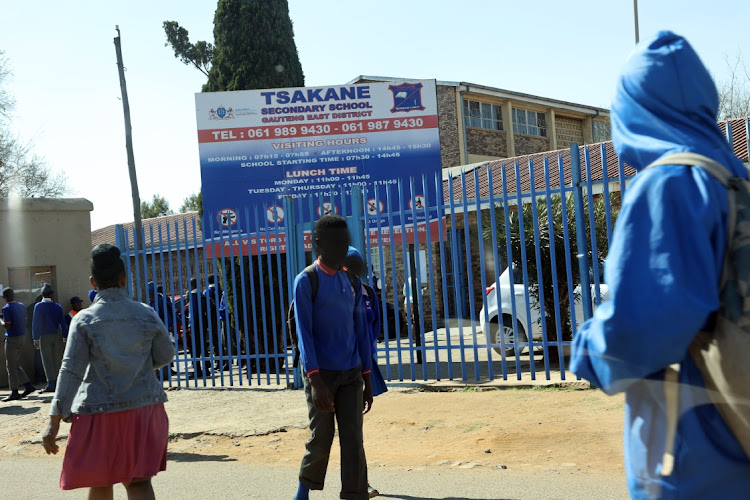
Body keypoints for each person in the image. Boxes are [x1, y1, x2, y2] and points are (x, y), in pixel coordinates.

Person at [569, 31, 750, 499]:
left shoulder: (669, 183)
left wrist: (588, 352)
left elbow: (641, 329)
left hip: (699, 449)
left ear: (631, 109)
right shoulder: (737, 178)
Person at [41, 243, 174, 498]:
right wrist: (137, 364)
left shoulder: (83, 319)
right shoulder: (146, 313)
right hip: (145, 409)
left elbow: (71, 370)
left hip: (99, 413)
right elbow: (166, 354)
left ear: (93, 282)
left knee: (101, 482)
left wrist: (54, 421)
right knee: (139, 483)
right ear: (124, 279)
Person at [293, 215, 373, 500]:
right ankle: (303, 491)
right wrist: (314, 379)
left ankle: (355, 494)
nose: (342, 248)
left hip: (351, 373)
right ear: (318, 244)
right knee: (321, 437)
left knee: (353, 440)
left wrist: (366, 379)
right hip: (321, 376)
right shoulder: (306, 281)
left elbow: (361, 331)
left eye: (345, 242)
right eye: (335, 242)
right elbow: (304, 334)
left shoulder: (351, 280)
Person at [343, 246, 388, 499]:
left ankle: (360, 484)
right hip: (335, 368)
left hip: (362, 365)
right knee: (322, 438)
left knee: (354, 429)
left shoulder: (367, 291)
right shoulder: (329, 292)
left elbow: (374, 326)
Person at [1, 288, 37, 402]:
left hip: (12, 338)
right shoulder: (21, 305)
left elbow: (7, 326)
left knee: (10, 366)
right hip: (22, 336)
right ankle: (28, 385)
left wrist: (0, 320)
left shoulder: (6, 308)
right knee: (15, 364)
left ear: (4, 297)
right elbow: (24, 319)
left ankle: (14, 392)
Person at [32, 283, 68, 394]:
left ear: (41, 295)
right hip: (56, 335)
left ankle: (51, 383)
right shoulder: (57, 306)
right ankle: (59, 382)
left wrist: (36, 338)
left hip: (44, 336)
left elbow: (36, 323)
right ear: (52, 294)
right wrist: (65, 337)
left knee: (47, 360)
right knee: (58, 359)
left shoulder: (38, 306)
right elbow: (63, 323)